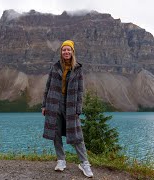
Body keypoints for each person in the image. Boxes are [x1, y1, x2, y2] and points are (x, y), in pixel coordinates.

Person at [41, 40, 93, 178]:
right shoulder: (55, 67)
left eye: (68, 50)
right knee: (56, 133)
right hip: (53, 103)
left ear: (72, 52)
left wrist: (78, 109)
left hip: (70, 105)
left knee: (77, 135)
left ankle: (84, 163)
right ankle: (61, 160)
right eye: (64, 50)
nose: (66, 52)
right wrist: (44, 105)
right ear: (61, 52)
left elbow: (80, 91)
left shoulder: (78, 69)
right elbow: (48, 86)